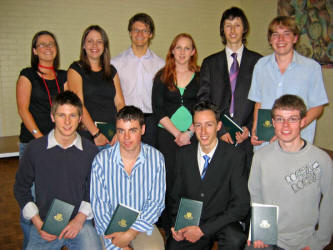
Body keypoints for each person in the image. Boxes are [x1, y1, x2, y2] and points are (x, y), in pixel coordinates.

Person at [14, 91, 102, 250]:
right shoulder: (35, 149)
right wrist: (38, 222)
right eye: (62, 115)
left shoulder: (91, 152)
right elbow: (20, 188)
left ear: (80, 118)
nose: (67, 122)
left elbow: (94, 190)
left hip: (80, 222)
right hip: (45, 222)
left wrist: (79, 220)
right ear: (53, 117)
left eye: (73, 116)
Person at [247, 94, 333, 250]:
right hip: (267, 237)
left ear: (302, 122)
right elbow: (256, 197)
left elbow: (330, 202)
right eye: (280, 119)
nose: (285, 125)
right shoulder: (260, 157)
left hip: (305, 242)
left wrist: (319, 242)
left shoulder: (321, 160)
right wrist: (259, 232)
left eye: (292, 119)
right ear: (273, 122)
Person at [167, 101, 250, 250]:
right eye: (198, 125)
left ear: (218, 126)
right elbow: (176, 197)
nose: (203, 131)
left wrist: (203, 230)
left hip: (223, 221)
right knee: (173, 246)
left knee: (236, 240)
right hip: (191, 220)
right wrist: (176, 226)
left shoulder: (235, 156)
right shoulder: (183, 155)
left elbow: (241, 205)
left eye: (209, 125)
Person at [16, 30, 67, 249]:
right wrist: (40, 139)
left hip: (59, 145)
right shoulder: (27, 74)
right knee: (32, 197)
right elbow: (23, 110)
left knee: (55, 194)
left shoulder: (63, 76)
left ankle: (55, 237)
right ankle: (31, 242)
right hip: (34, 145)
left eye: (52, 44)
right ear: (35, 51)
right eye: (42, 44)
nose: (48, 47)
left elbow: (69, 109)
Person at [90, 106, 166, 250]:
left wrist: (130, 234)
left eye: (133, 130)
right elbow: (100, 208)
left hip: (142, 225)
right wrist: (120, 245)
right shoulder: (101, 161)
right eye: (121, 131)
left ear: (143, 130)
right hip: (110, 227)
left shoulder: (156, 158)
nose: (126, 137)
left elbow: (156, 203)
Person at [248, 16, 328, 149]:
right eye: (275, 35)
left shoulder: (311, 68)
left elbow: (318, 107)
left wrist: (289, 129)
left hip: (298, 143)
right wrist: (255, 130)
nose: (280, 39)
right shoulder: (260, 66)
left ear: (295, 38)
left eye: (286, 34)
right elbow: (259, 102)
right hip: (266, 145)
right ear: (270, 39)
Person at [198, 7, 262, 173]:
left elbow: (261, 100)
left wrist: (248, 129)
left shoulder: (259, 62)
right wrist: (221, 129)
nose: (232, 30)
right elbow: (203, 101)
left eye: (237, 25)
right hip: (217, 136)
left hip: (245, 138)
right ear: (222, 30)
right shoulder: (209, 63)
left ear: (244, 29)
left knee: (243, 188)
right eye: (228, 25)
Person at [152, 33, 200, 232]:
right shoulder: (162, 76)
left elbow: (203, 105)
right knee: (170, 181)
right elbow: (158, 109)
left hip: (194, 136)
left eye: (187, 48)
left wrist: (188, 133)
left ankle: (189, 224)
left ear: (193, 52)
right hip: (167, 137)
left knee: (191, 180)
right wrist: (177, 134)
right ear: (172, 50)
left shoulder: (201, 75)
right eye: (178, 48)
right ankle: (170, 227)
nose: (182, 52)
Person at [111, 13, 165, 147]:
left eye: (144, 30)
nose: (140, 33)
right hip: (125, 120)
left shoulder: (161, 64)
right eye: (136, 30)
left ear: (150, 34)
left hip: (151, 122)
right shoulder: (116, 63)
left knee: (149, 160)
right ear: (130, 33)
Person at [68, 25, 125, 150]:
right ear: (83, 45)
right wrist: (96, 133)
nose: (95, 45)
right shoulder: (76, 69)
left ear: (104, 46)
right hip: (88, 136)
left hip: (112, 135)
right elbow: (78, 104)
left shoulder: (111, 71)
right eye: (90, 41)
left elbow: (120, 103)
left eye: (99, 42)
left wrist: (120, 130)